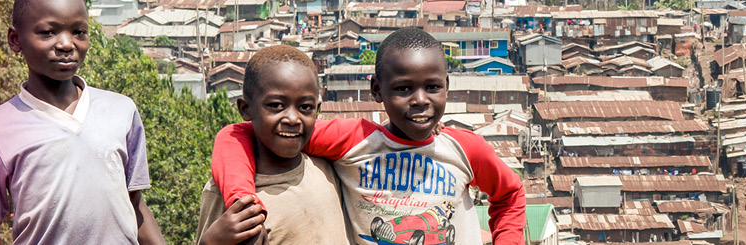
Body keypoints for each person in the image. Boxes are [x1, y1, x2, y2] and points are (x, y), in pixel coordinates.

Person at [210, 27, 526, 244]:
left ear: (447, 87)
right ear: (377, 90)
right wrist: (243, 202)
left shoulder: (463, 149)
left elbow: (510, 195)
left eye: (432, 87)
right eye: (404, 88)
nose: (420, 100)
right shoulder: (355, 139)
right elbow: (237, 135)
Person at [0, 0, 163, 243]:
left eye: (79, 32)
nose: (67, 44)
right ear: (15, 39)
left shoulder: (121, 110)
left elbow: (134, 204)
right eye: (48, 32)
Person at [195, 45, 349, 245]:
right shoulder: (225, 195)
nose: (293, 119)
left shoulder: (325, 167)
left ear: (317, 110)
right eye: (276, 105)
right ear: (246, 109)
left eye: (305, 107)